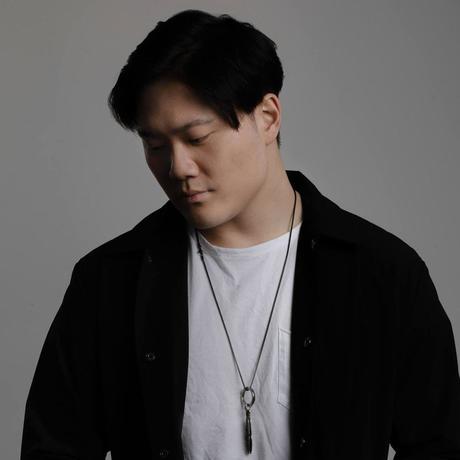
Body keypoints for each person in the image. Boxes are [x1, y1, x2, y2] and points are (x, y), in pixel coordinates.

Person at [20, 9, 460, 460]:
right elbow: (53, 448)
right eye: (155, 146)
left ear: (267, 117)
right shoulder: (109, 281)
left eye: (197, 138)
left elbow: (439, 444)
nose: (177, 167)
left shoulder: (383, 274)